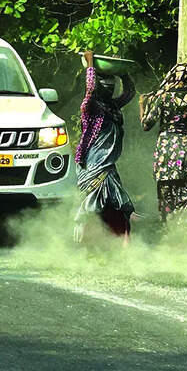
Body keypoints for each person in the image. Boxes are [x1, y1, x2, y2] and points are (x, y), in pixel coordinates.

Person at [139, 63, 187, 222]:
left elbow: (146, 125)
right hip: (186, 154)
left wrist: (142, 105)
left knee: (166, 202)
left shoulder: (163, 99)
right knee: (186, 202)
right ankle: (184, 233)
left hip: (165, 153)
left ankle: (167, 231)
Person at [74, 51, 136, 245]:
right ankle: (87, 241)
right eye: (105, 86)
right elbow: (90, 90)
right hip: (93, 163)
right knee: (94, 202)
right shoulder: (90, 107)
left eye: (112, 86)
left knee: (116, 202)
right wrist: (90, 63)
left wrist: (123, 72)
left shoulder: (113, 106)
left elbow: (130, 92)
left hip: (109, 164)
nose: (109, 89)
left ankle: (117, 241)